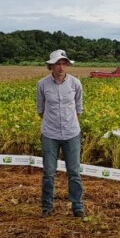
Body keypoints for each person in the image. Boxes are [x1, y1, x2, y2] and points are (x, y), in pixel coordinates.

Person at [36, 49, 85, 217]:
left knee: (74, 172)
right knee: (49, 172)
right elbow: (40, 110)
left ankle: (77, 206)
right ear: (51, 66)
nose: (61, 67)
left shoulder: (75, 84)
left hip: (72, 133)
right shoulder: (42, 84)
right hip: (50, 134)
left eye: (64, 63)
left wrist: (68, 122)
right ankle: (47, 206)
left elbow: (78, 109)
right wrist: (54, 123)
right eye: (58, 63)